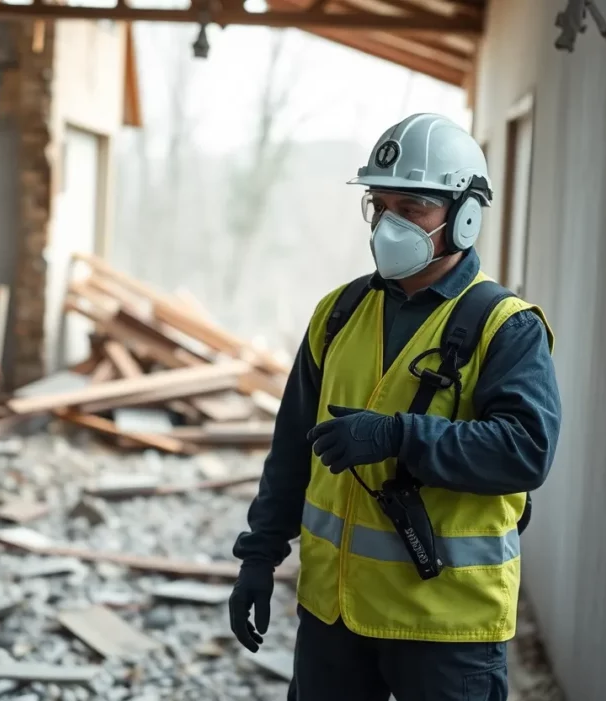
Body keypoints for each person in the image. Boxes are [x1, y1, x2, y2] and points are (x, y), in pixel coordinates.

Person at [228, 113, 562, 701]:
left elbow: (525, 452)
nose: (389, 224)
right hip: (334, 620)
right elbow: (291, 450)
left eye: (412, 208)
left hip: (445, 630)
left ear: (465, 216)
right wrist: (259, 555)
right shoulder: (338, 314)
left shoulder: (504, 327)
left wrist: (399, 436)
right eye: (378, 205)